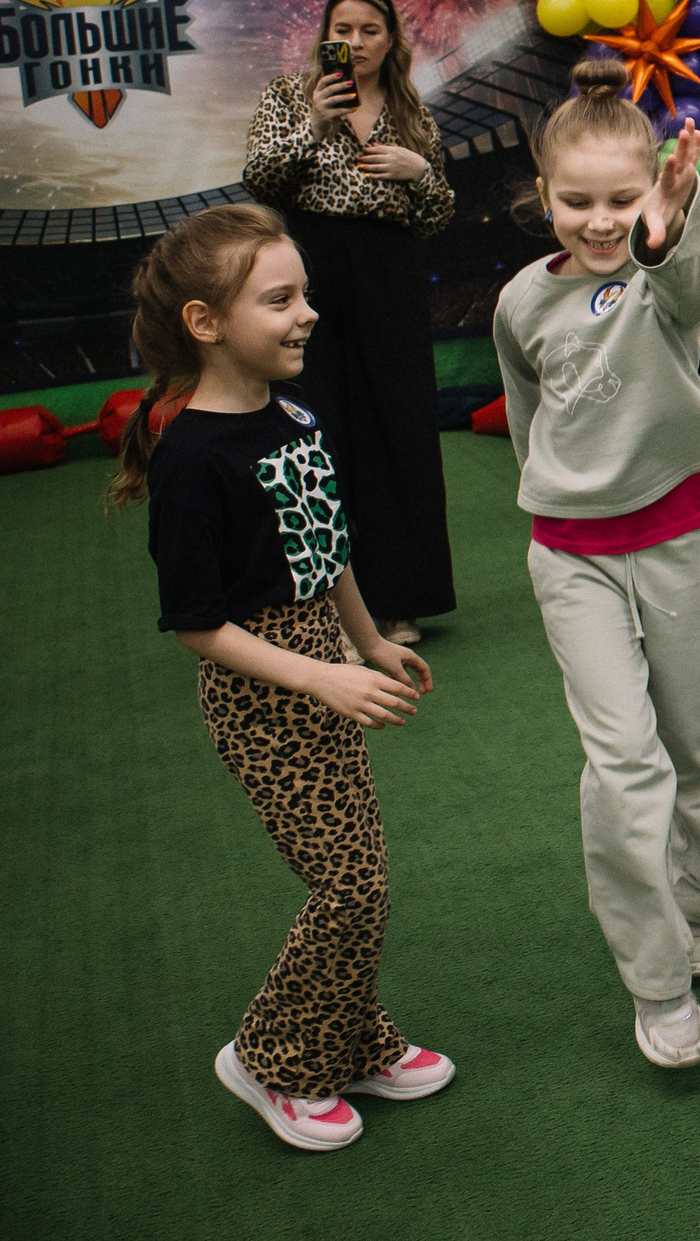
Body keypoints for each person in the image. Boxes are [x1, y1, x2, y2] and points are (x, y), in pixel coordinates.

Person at [112, 204, 452, 1153]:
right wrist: (320, 675)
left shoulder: (296, 414)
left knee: (362, 876)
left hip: (320, 668)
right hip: (264, 695)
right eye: (280, 298)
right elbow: (196, 626)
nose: (307, 313)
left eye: (305, 293)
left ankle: (351, 1037)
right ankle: (270, 1056)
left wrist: (369, 642)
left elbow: (327, 542)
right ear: (205, 323)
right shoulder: (190, 458)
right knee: (350, 884)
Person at [493, 62, 700, 1070]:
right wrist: (558, 500)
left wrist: (676, 220)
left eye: (621, 200)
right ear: (543, 193)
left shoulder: (659, 273)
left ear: (650, 193)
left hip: (680, 541)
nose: (600, 223)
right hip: (571, 557)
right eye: (577, 201)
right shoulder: (521, 302)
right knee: (622, 769)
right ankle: (656, 980)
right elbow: (528, 429)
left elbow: (682, 275)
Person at [242, 0, 456, 646]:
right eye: (344, 29)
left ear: (391, 38)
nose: (356, 42)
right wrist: (314, 124)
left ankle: (403, 603)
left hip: (389, 275)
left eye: (370, 30)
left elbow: (438, 214)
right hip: (309, 269)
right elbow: (260, 177)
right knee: (318, 430)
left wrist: (419, 169)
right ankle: (333, 606)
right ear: (324, 36)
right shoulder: (288, 94)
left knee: (402, 430)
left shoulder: (413, 110)